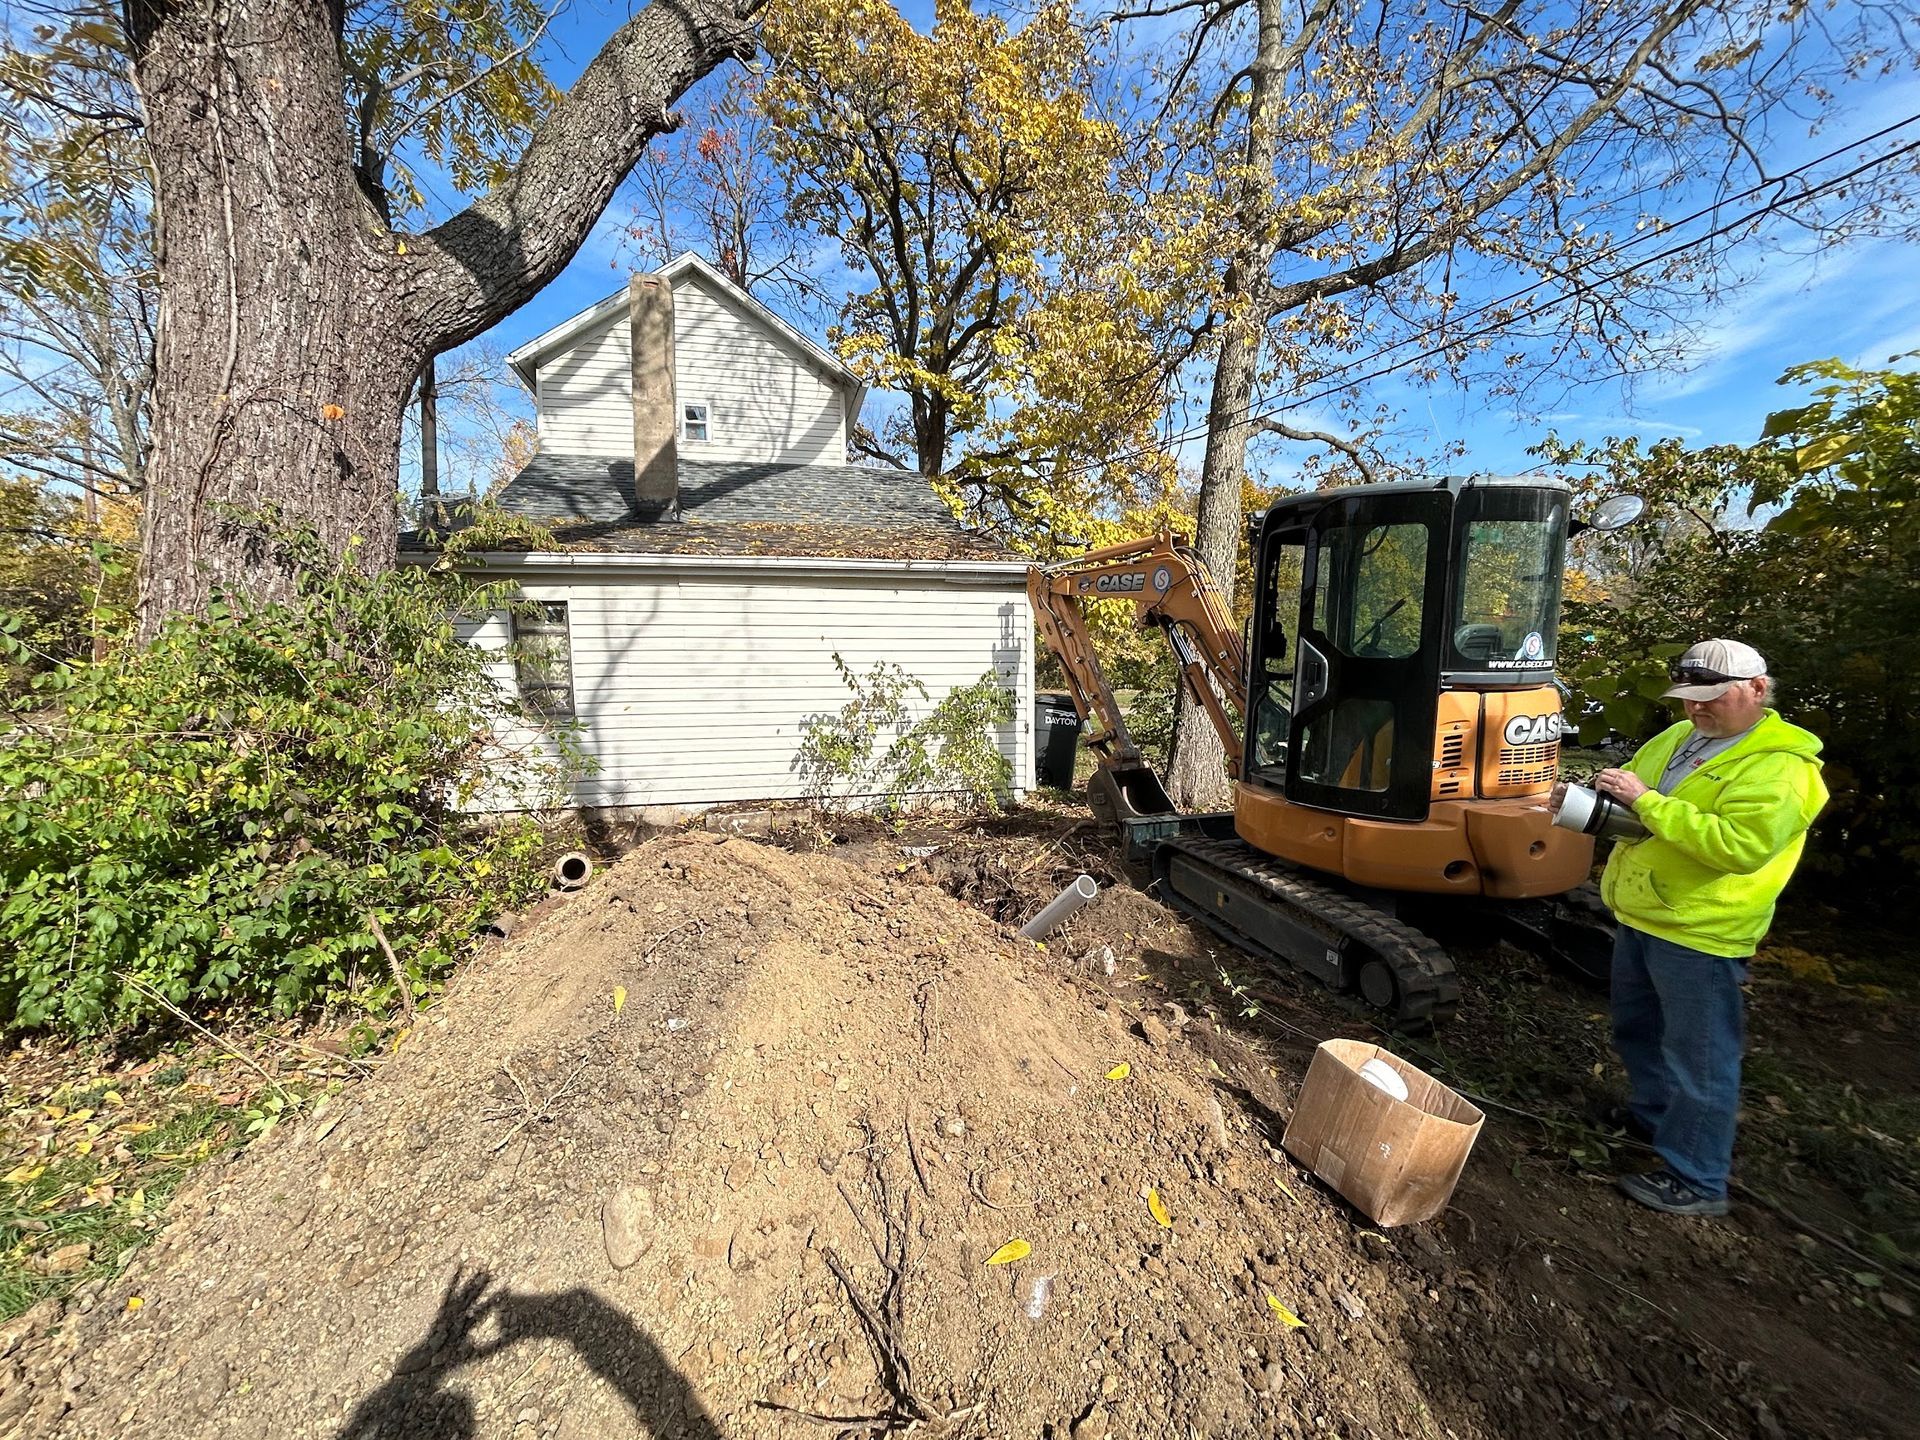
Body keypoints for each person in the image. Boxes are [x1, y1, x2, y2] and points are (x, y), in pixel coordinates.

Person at [1591, 638, 1828, 1216]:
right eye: (1688, 699)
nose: (1696, 709)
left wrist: (1646, 802)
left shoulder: (1782, 768)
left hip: (1701, 933)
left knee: (1700, 1059)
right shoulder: (1680, 738)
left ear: (1756, 689)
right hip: (1645, 912)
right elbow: (1636, 796)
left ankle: (1697, 1178)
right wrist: (1595, 801)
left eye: (1710, 698)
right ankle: (1654, 1120)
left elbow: (1738, 846)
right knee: (1638, 1031)